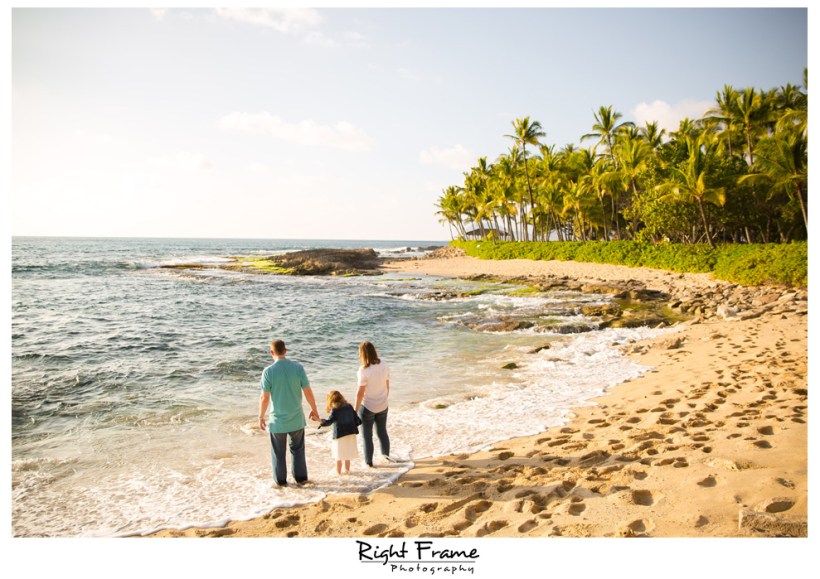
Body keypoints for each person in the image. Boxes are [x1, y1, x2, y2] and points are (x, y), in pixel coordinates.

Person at [258, 339, 320, 486]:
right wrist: (314, 408)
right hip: (296, 419)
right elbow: (307, 391)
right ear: (285, 351)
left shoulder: (268, 372)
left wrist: (260, 416)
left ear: (271, 352)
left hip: (277, 421)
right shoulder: (298, 368)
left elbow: (264, 397)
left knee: (278, 454)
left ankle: (281, 484)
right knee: (298, 451)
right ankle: (301, 480)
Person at [354, 341, 391, 467]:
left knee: (367, 437)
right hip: (383, 405)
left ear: (363, 354)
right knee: (382, 432)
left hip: (368, 407)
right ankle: (386, 457)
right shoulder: (384, 365)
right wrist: (384, 398)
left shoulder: (363, 370)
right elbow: (387, 385)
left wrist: (355, 410)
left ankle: (369, 463)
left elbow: (360, 393)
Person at [318, 390, 361, 475]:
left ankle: (339, 474)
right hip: (351, 434)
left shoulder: (335, 410)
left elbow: (329, 422)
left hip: (340, 435)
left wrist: (320, 421)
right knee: (347, 456)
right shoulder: (349, 406)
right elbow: (357, 419)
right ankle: (347, 472)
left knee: (338, 457)